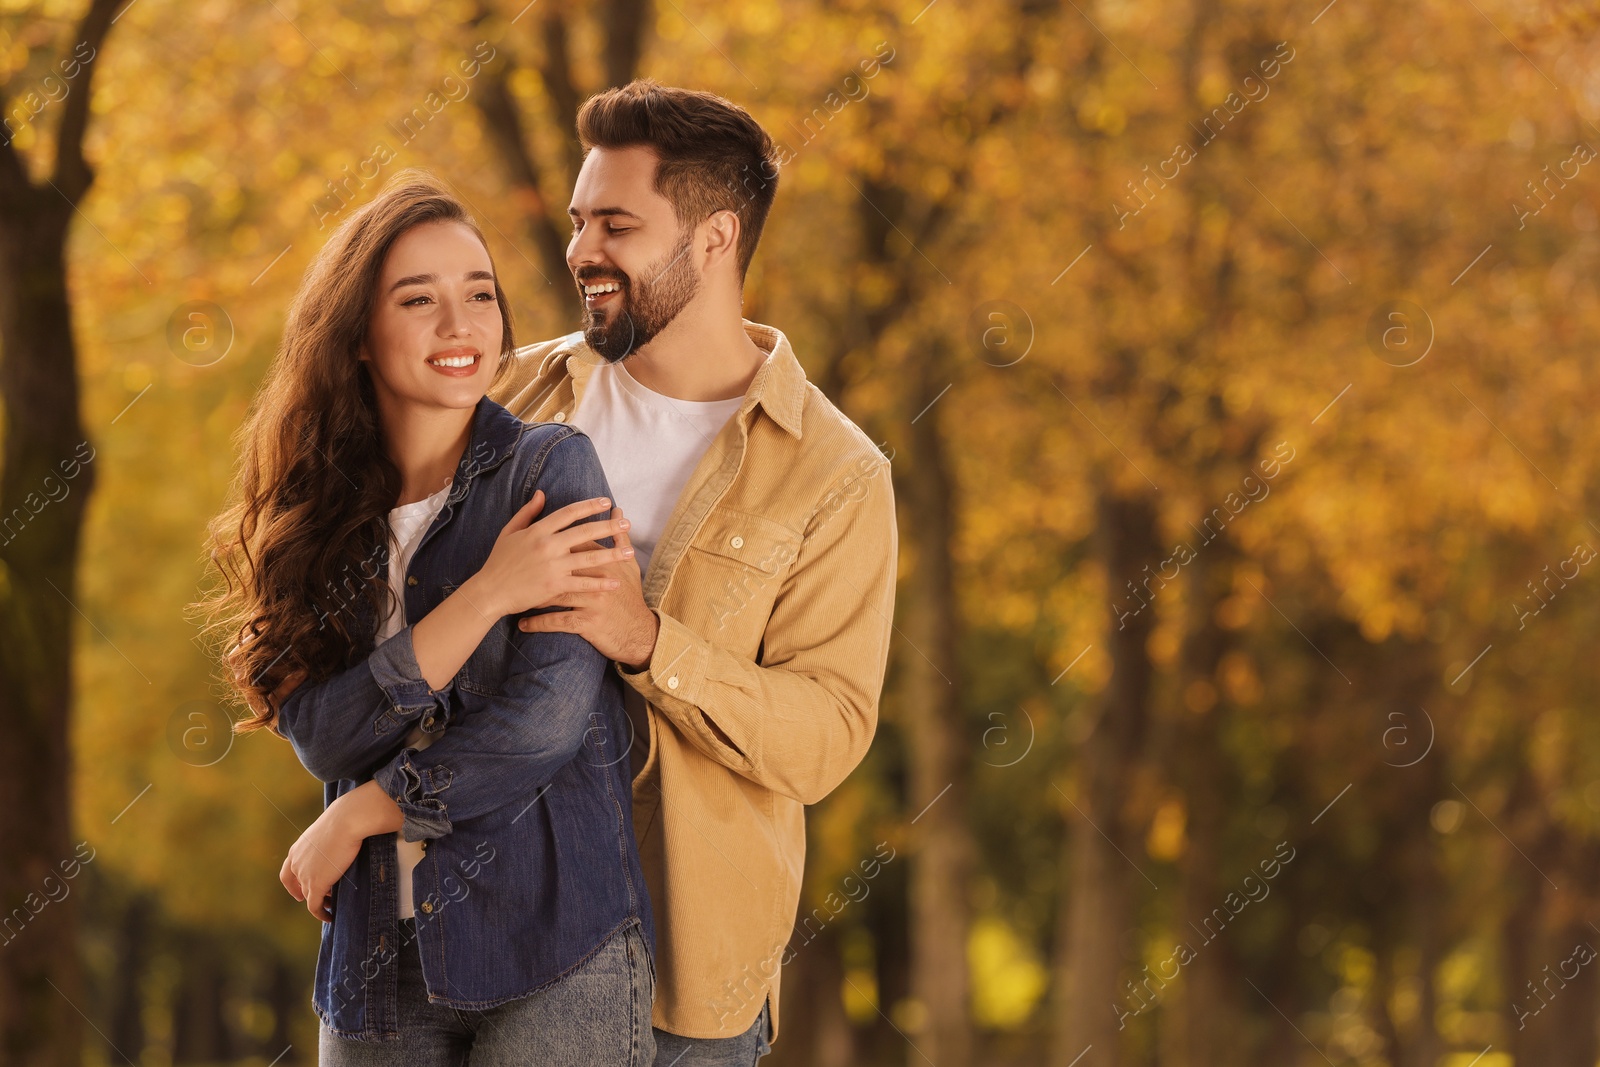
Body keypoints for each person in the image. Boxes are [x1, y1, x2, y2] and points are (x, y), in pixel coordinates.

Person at [199, 171, 655, 1065]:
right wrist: (486, 593)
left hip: (557, 946)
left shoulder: (552, 471)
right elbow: (325, 735)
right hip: (376, 960)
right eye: (420, 299)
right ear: (359, 335)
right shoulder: (314, 516)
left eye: (479, 294)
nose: (462, 326)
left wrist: (365, 811)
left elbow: (541, 725)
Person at [487, 81, 899, 1064]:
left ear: (714, 239)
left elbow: (824, 734)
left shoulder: (835, 473)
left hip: (685, 980)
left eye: (616, 223)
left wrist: (647, 640)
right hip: (480, 927)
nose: (582, 248)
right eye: (581, 220)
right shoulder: (509, 391)